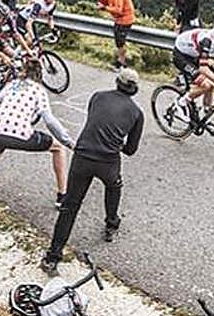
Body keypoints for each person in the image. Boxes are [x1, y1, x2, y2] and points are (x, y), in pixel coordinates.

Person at [41, 68, 144, 275]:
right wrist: (116, 143)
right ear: (135, 89)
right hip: (108, 160)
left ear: (117, 82)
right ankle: (111, 223)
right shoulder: (136, 113)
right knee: (114, 186)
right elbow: (131, 150)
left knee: (70, 206)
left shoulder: (97, 97)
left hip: (82, 155)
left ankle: (53, 256)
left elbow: (94, 121)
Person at [0, 56, 74, 209]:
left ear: (23, 71)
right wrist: (68, 142)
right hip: (20, 134)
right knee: (58, 148)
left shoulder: (12, 85)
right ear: (39, 75)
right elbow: (49, 120)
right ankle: (62, 195)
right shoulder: (39, 90)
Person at [93, 0, 135, 70]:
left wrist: (104, 8)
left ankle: (122, 64)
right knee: (119, 42)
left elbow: (118, 10)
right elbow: (107, 1)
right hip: (119, 20)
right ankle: (120, 62)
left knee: (120, 43)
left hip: (125, 20)